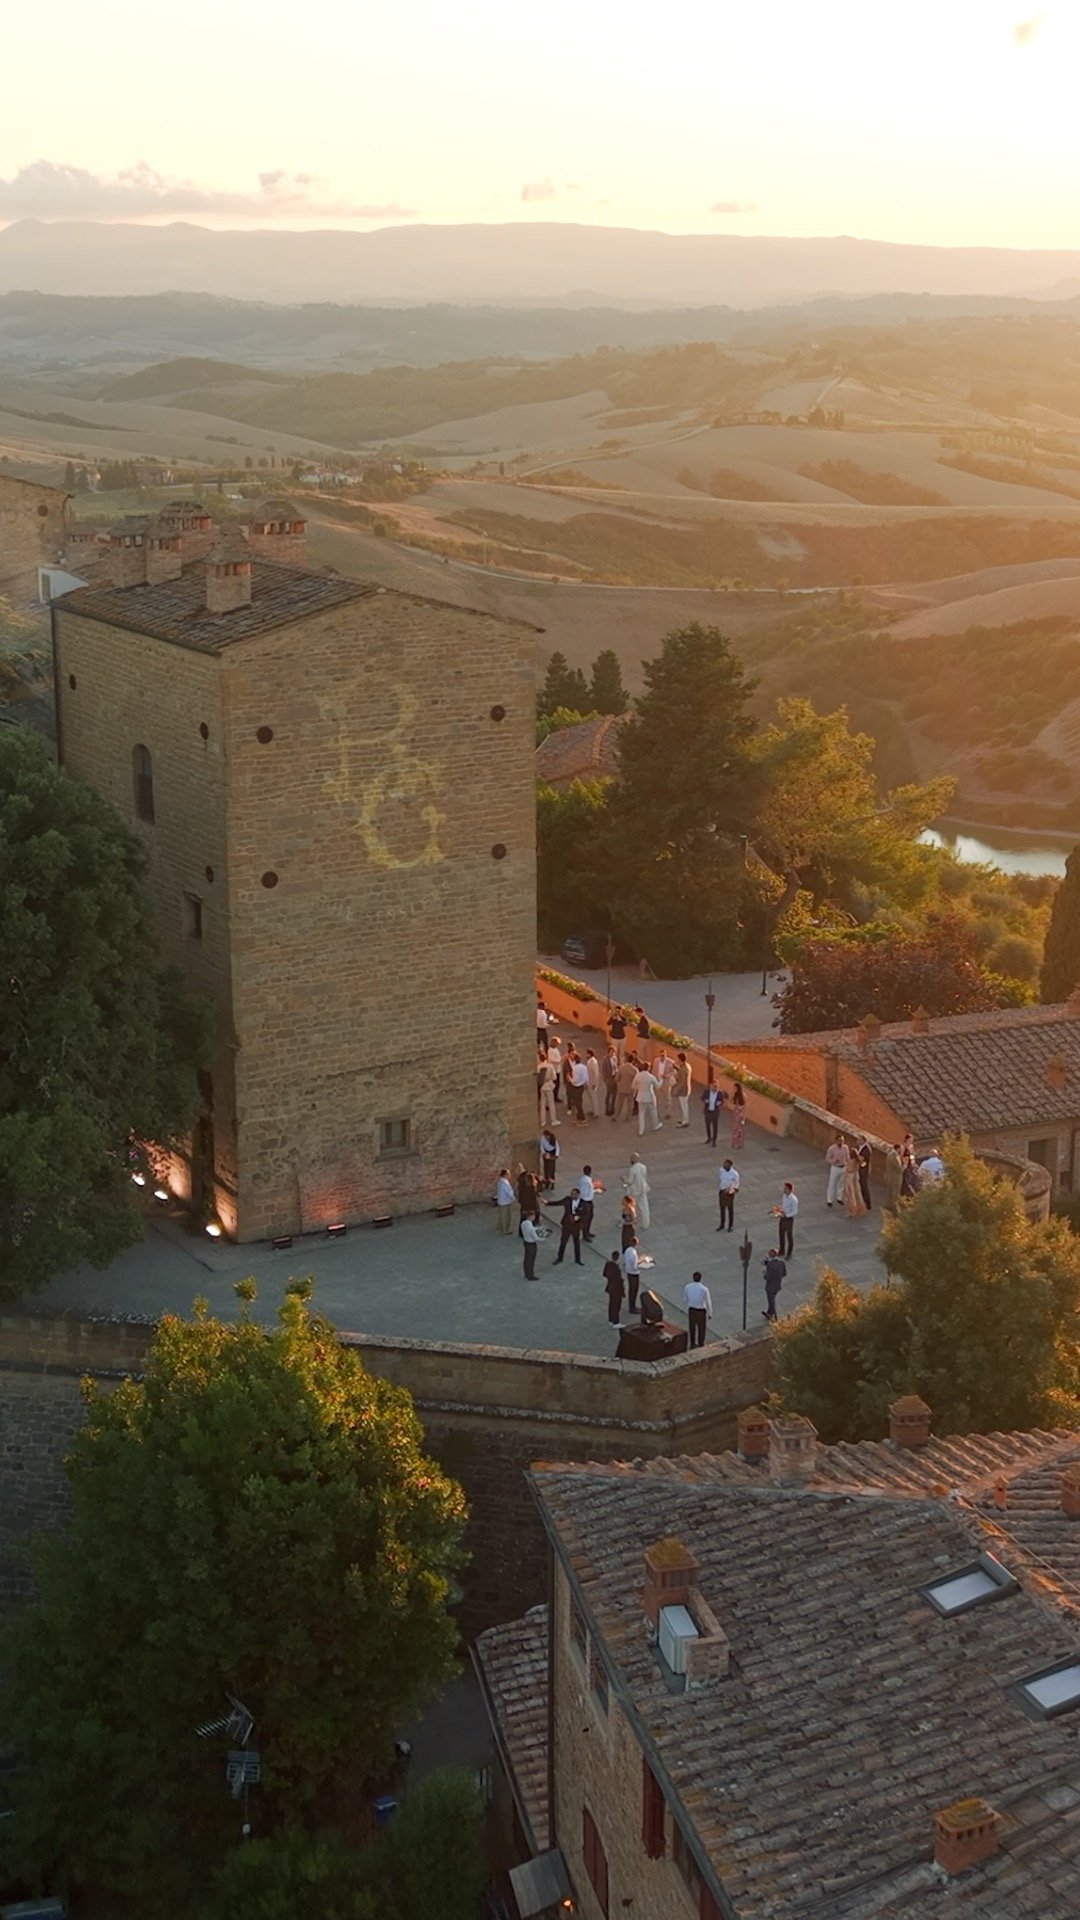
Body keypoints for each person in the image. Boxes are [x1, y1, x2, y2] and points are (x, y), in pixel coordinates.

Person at [683, 1270, 712, 1349]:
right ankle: (701, 1344)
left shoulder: (687, 1287)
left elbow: (685, 1299)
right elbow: (708, 1301)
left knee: (692, 1327)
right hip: (701, 1311)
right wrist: (710, 1313)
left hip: (691, 1309)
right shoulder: (704, 1289)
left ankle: (692, 1343)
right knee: (701, 1328)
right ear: (700, 1278)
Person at [632, 1061, 662, 1135]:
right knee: (653, 1111)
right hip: (650, 1097)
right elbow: (657, 1086)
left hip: (640, 1097)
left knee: (641, 1114)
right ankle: (655, 1125)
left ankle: (641, 1130)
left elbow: (633, 1086)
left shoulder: (638, 1075)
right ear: (648, 1068)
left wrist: (639, 1087)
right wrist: (661, 1080)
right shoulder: (651, 1076)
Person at [623, 1152, 651, 1228]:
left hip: (634, 1190)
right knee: (644, 1206)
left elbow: (630, 1182)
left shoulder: (632, 1169)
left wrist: (624, 1179)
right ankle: (646, 1223)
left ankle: (633, 1221)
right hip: (642, 1188)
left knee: (633, 1206)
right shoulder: (643, 1167)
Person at [762, 1247, 786, 1321]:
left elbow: (767, 1278)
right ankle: (769, 1313)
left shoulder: (770, 1265)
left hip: (770, 1286)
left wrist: (764, 1275)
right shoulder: (782, 1263)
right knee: (772, 1299)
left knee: (771, 1301)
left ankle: (774, 1316)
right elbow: (784, 1274)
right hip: (777, 1285)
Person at [702, 1074, 727, 1147]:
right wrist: (705, 1100)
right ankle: (709, 1138)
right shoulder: (706, 1091)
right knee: (707, 1125)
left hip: (715, 1112)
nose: (715, 1088)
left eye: (717, 1086)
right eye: (714, 1086)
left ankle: (714, 1141)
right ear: (711, 1085)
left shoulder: (720, 1093)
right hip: (708, 1111)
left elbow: (723, 1101)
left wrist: (720, 1103)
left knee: (715, 1126)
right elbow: (702, 1097)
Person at [716, 1159, 740, 1232]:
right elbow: (719, 1178)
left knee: (730, 1209)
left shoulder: (734, 1174)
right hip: (722, 1191)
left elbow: (736, 1184)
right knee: (722, 1208)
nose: (724, 1165)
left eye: (726, 1164)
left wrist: (731, 1191)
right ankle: (722, 1224)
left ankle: (730, 1225)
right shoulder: (721, 1170)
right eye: (724, 1164)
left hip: (729, 1192)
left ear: (730, 1165)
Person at [825, 1134, 849, 1208]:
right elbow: (827, 1159)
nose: (841, 1142)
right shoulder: (831, 1149)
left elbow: (848, 1157)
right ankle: (829, 1200)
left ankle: (839, 1198)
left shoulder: (846, 1147)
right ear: (836, 1141)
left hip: (843, 1167)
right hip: (835, 1168)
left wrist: (847, 1163)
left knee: (841, 1184)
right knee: (832, 1184)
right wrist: (834, 1161)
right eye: (840, 1140)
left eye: (842, 1140)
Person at [603, 1250, 625, 1326]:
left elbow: (604, 1274)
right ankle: (616, 1322)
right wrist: (623, 1291)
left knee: (611, 1304)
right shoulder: (616, 1268)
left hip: (610, 1287)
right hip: (617, 1289)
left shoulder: (608, 1264)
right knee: (616, 1305)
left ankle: (610, 1319)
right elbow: (619, 1281)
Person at [614, 1054, 637, 1124]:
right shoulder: (635, 1069)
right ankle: (628, 1117)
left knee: (619, 1103)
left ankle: (616, 1116)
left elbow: (617, 1079)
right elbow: (637, 1080)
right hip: (631, 1089)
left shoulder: (621, 1068)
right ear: (632, 1061)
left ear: (626, 1060)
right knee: (630, 1104)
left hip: (622, 1088)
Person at [538, 1052, 559, 1129]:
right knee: (551, 1103)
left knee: (542, 1103)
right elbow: (554, 1077)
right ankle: (553, 1120)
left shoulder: (538, 1067)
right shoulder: (550, 1066)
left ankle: (543, 1121)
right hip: (549, 1085)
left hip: (542, 1086)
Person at [621, 1234, 641, 1314]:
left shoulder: (627, 1250)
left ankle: (632, 1306)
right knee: (634, 1290)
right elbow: (634, 1266)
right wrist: (641, 1264)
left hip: (628, 1272)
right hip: (634, 1273)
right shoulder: (633, 1253)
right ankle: (632, 1308)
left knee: (631, 1290)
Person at [778, 1182, 798, 1258]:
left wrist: (786, 1215)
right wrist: (780, 1210)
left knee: (789, 1236)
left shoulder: (793, 1200)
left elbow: (795, 1212)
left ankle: (789, 1253)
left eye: (785, 1188)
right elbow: (784, 1206)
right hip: (783, 1217)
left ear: (789, 1189)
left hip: (788, 1219)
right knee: (781, 1234)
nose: (783, 1189)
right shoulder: (784, 1196)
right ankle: (781, 1250)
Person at [843, 1151, 866, 1219]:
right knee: (858, 1194)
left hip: (849, 1179)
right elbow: (864, 1163)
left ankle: (852, 1211)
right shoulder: (858, 1160)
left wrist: (846, 1166)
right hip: (855, 1178)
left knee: (850, 1194)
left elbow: (849, 1170)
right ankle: (860, 1209)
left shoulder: (851, 1161)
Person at [569, 1050, 590, 1126]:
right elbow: (586, 1077)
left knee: (578, 1104)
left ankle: (583, 1118)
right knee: (579, 1101)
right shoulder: (584, 1066)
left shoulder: (575, 1068)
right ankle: (578, 1117)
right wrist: (586, 1083)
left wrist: (570, 1079)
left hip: (576, 1087)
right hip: (582, 1086)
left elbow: (575, 1080)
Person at [577, 1165, 596, 1241]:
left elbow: (589, 1190)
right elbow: (584, 1192)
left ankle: (587, 1232)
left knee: (590, 1217)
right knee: (586, 1219)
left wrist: (594, 1190)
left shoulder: (587, 1179)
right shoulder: (586, 1181)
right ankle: (585, 1235)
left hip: (589, 1201)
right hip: (585, 1202)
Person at [494, 1167, 515, 1234]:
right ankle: (504, 1230)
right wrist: (513, 1197)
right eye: (509, 1174)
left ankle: (500, 1227)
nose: (510, 1175)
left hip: (501, 1201)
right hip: (505, 1202)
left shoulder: (500, 1181)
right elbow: (508, 1192)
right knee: (505, 1217)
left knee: (502, 1215)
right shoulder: (505, 1183)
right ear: (505, 1175)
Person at [673, 1051, 692, 1127]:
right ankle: (685, 1120)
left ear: (680, 1059)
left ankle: (685, 1121)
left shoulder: (684, 1069)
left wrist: (676, 1090)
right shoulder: (687, 1066)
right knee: (684, 1105)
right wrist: (677, 1068)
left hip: (683, 1090)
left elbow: (682, 1082)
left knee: (684, 1106)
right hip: (686, 1089)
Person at [654, 1049, 674, 1118]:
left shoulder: (670, 1062)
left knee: (667, 1098)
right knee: (657, 1098)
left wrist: (667, 1075)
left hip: (666, 1082)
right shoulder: (656, 1061)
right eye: (660, 1055)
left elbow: (674, 1072)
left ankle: (668, 1113)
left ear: (666, 1054)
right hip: (658, 1082)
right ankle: (658, 1113)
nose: (662, 1057)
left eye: (663, 1055)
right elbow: (653, 1071)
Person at [520, 1212, 540, 1281]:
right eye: (533, 1216)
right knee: (531, 1260)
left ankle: (526, 1273)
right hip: (531, 1244)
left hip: (526, 1242)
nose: (534, 1217)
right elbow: (535, 1238)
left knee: (526, 1259)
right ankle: (530, 1275)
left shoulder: (523, 1223)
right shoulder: (530, 1226)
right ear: (530, 1217)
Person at [884, 1142, 904, 1210]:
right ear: (898, 1149)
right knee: (895, 1192)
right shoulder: (894, 1157)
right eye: (900, 1149)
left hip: (890, 1177)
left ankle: (888, 1205)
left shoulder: (890, 1155)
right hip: (895, 1178)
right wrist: (905, 1165)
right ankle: (894, 1207)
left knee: (890, 1192)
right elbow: (899, 1169)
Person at [602, 1043, 619, 1118]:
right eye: (611, 1052)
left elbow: (616, 1067)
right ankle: (607, 1109)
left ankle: (612, 1108)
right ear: (608, 1052)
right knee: (608, 1094)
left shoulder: (615, 1058)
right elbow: (603, 1070)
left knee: (615, 1094)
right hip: (609, 1078)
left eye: (614, 1052)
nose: (612, 1053)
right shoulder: (605, 1060)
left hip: (614, 1077)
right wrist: (606, 1080)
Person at [540, 1127, 559, 1191]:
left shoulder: (553, 1139)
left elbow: (557, 1147)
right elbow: (541, 1146)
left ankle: (552, 1183)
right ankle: (547, 1182)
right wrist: (544, 1153)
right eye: (545, 1136)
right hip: (546, 1153)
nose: (546, 1138)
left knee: (551, 1169)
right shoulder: (542, 1138)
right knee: (546, 1168)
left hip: (552, 1153)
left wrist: (556, 1156)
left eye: (547, 1136)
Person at [856, 1137, 873, 1213]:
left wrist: (856, 1155)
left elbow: (864, 1160)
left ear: (863, 1140)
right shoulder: (861, 1147)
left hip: (863, 1170)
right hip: (861, 1169)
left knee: (864, 1186)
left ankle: (868, 1203)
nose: (857, 1141)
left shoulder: (867, 1149)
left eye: (859, 1140)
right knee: (861, 1186)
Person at [585, 1047, 601, 1120]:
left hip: (592, 1082)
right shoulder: (590, 1061)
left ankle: (596, 1112)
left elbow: (596, 1073)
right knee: (591, 1097)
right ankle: (593, 1110)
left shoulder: (593, 1061)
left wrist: (595, 1083)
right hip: (589, 1082)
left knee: (593, 1098)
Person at [547, 1036, 563, 1109]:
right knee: (554, 1084)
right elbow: (551, 1059)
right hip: (553, 1069)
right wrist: (559, 1060)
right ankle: (553, 1097)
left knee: (558, 1084)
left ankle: (555, 1096)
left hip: (557, 1069)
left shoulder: (555, 1049)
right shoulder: (550, 1050)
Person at [730, 1081, 747, 1150]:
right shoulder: (735, 1095)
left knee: (740, 1130)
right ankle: (735, 1143)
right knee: (735, 1129)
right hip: (736, 1113)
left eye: (735, 1088)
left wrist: (744, 1118)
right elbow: (730, 1101)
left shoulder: (744, 1096)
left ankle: (739, 1143)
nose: (734, 1089)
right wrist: (732, 1093)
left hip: (741, 1114)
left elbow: (745, 1107)